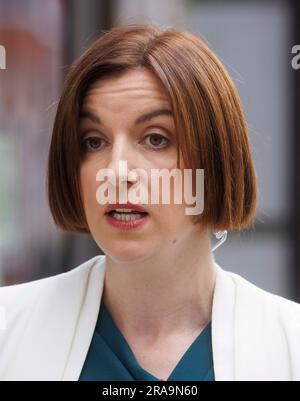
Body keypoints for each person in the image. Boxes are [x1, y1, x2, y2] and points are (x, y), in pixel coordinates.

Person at [0, 23, 299, 381]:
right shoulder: (8, 333)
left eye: (156, 139)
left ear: (216, 161)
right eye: (94, 141)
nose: (117, 172)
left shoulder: (289, 348)